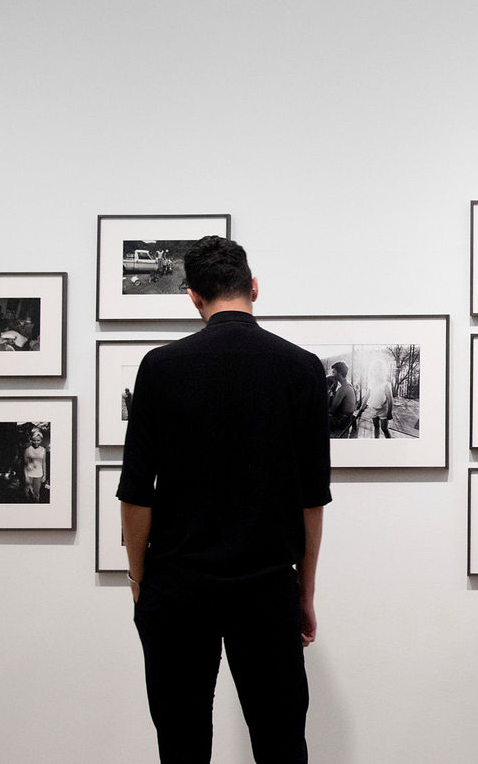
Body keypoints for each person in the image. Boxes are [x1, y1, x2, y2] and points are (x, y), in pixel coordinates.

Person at [118, 235, 329, 764]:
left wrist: (139, 580)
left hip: (178, 585)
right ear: (253, 287)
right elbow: (312, 500)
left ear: (193, 297)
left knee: (182, 743)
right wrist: (303, 593)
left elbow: (137, 493)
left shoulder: (160, 368)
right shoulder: (301, 368)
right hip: (265, 586)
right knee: (281, 743)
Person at [327, 361, 359, 438]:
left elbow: (331, 411)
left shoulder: (343, 389)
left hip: (341, 422)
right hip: (348, 419)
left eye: (334, 372)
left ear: (340, 373)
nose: (332, 374)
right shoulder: (349, 385)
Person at [23, 427, 48, 502]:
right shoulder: (27, 450)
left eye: (38, 440)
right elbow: (25, 464)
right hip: (29, 474)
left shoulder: (43, 450)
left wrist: (44, 475)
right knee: (27, 493)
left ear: (41, 440)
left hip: (38, 474)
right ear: (31, 440)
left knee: (36, 494)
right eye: (34, 440)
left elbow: (44, 463)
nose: (36, 442)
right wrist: (26, 477)